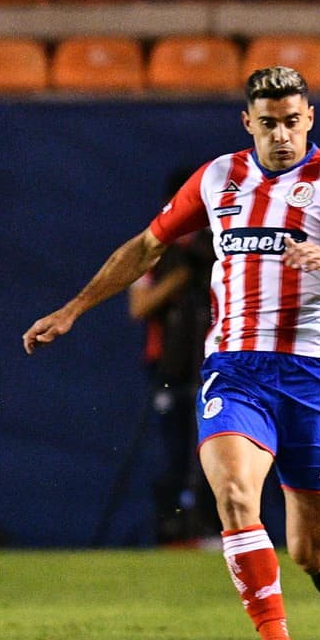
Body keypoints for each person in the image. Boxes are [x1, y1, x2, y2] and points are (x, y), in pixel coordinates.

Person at [23, 66, 320, 640]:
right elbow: (147, 247)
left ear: (310, 120)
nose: (281, 134)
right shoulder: (218, 177)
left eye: (292, 121)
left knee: (308, 550)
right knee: (233, 496)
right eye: (268, 123)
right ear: (248, 123)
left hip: (315, 377)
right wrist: (73, 308)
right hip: (236, 369)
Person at [126, 171, 219, 546]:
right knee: (175, 455)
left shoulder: (221, 245)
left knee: (218, 452)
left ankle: (215, 529)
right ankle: (175, 531)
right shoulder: (156, 247)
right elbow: (139, 306)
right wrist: (182, 274)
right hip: (168, 365)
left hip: (216, 363)